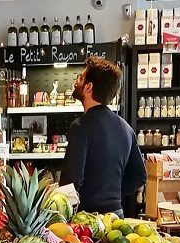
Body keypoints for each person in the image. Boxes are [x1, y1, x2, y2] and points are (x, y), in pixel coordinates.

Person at [59, 57, 146, 217]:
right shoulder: (126, 128)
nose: (77, 81)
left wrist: (61, 212)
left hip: (89, 218)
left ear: (88, 87)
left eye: (81, 78)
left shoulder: (80, 126)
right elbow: (139, 176)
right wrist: (112, 196)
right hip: (116, 215)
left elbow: (71, 179)